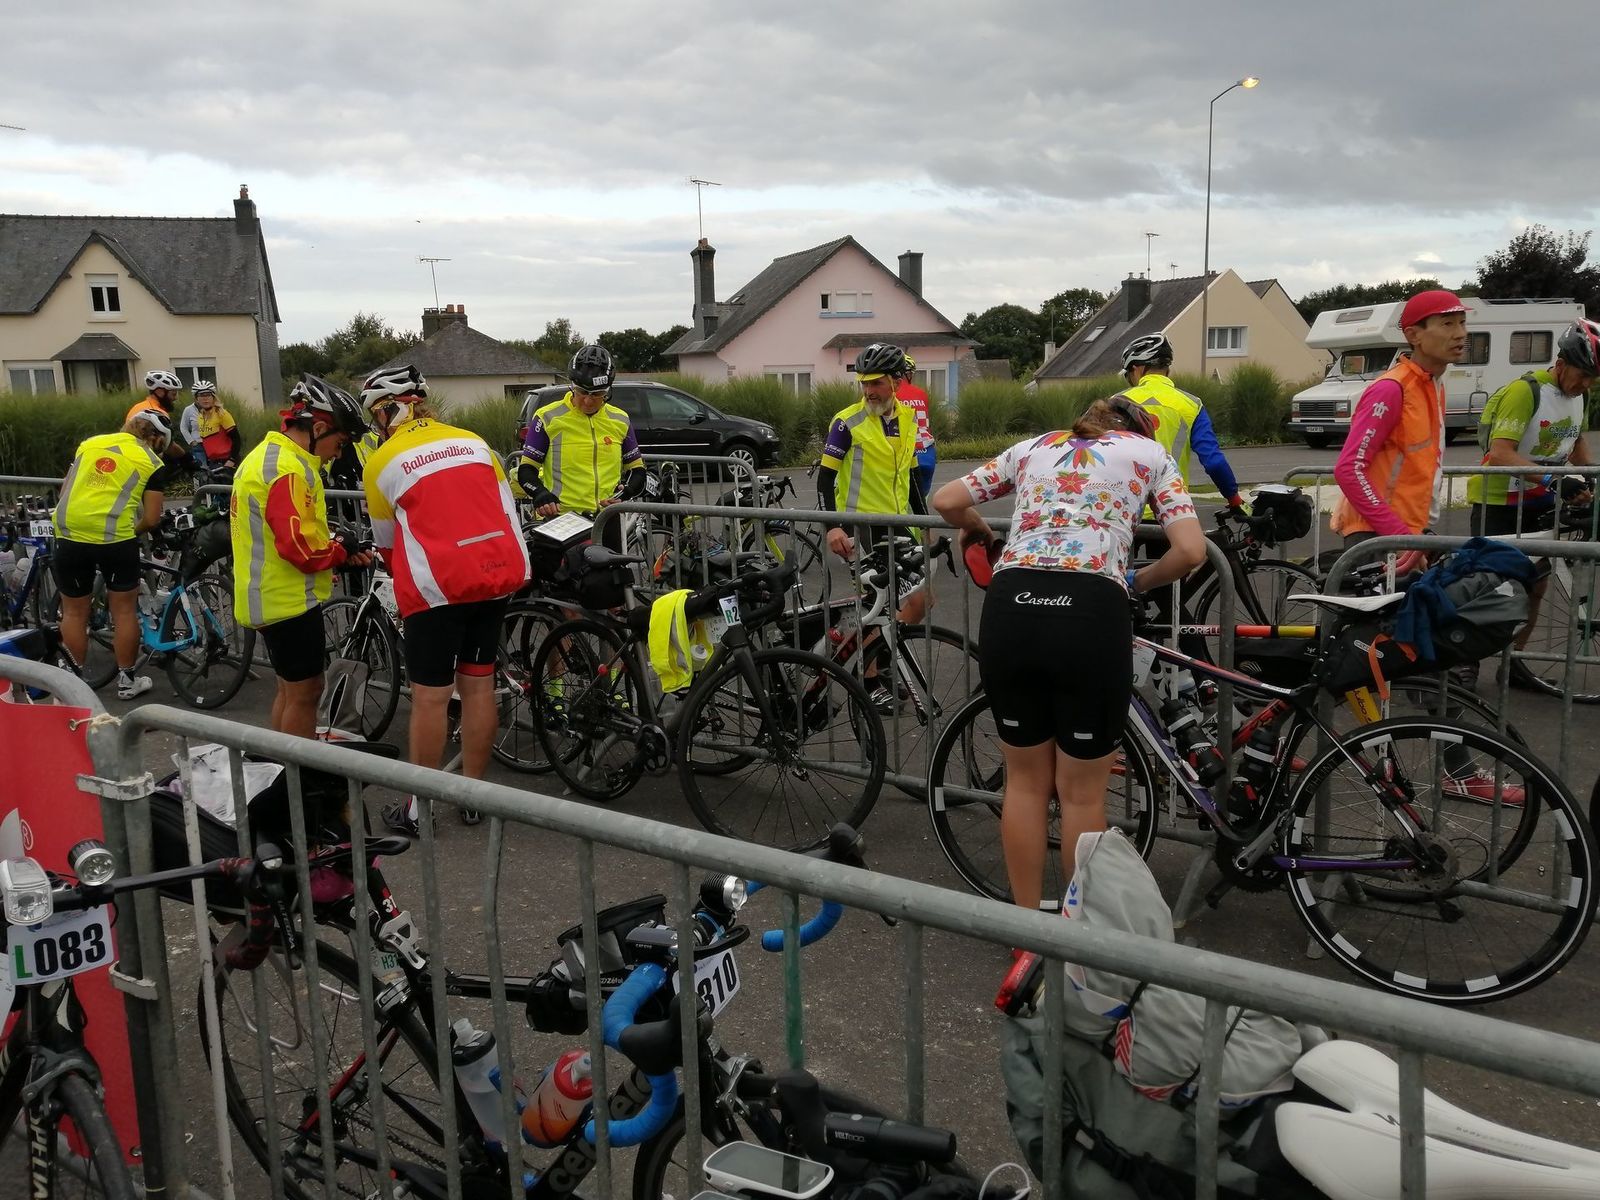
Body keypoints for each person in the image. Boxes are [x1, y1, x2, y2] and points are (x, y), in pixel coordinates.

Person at [932, 397, 1205, 912]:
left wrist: (980, 527)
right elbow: (1190, 551)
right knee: (1081, 795)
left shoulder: (1034, 447)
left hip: (1011, 605)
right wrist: (1137, 580)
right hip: (1089, 609)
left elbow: (945, 499)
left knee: (1025, 784)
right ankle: (1076, 932)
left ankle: (1026, 933)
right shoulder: (1150, 454)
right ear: (1139, 430)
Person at [359, 365, 530, 836]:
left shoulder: (382, 460)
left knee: (432, 699)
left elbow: (387, 544)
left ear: (386, 412)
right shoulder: (475, 442)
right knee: (477, 688)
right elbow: (505, 506)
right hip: (492, 577)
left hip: (437, 589)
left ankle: (419, 809)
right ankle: (473, 797)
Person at [230, 375, 372, 738]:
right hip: (286, 602)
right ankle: (298, 769)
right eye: (340, 443)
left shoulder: (267, 457)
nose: (338, 454)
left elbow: (293, 533)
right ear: (319, 428)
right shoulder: (287, 469)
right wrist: (340, 549)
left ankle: (283, 764)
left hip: (269, 594)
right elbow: (300, 549)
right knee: (306, 693)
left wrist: (337, 553)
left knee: (288, 690)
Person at [817, 342, 932, 711]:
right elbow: (824, 480)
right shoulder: (846, 422)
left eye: (877, 382)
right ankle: (867, 682)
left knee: (921, 600)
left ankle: (879, 660)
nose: (868, 391)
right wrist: (833, 527)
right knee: (876, 605)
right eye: (864, 383)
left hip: (897, 524)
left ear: (896, 382)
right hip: (859, 526)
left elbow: (911, 478)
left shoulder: (908, 419)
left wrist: (924, 522)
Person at [1331, 289, 1469, 576]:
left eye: (1462, 322)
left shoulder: (1433, 385)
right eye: (1447, 324)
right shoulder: (1392, 389)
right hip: (1378, 535)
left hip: (1409, 533)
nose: (1460, 334)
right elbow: (1349, 469)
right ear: (1413, 335)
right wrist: (1400, 536)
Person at [51, 408, 181, 699]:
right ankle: (127, 681)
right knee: (123, 611)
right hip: (115, 539)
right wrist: (133, 531)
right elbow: (151, 518)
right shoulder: (151, 461)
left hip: (69, 533)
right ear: (157, 438)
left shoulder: (89, 445)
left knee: (73, 612)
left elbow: (64, 491)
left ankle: (71, 685)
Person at [1467, 320, 1597, 534]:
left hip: (1542, 501)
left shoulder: (1581, 396)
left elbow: (1575, 441)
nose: (1586, 384)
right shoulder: (1525, 391)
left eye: (1593, 378)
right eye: (1583, 375)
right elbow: (1499, 455)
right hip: (1499, 504)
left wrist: (1591, 472)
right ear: (1561, 365)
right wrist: (1554, 481)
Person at [516, 344, 647, 550]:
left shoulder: (620, 419)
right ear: (572, 385)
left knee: (612, 571)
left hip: (607, 518)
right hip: (563, 519)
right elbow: (526, 470)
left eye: (597, 394)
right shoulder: (548, 417)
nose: (588, 401)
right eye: (582, 392)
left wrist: (625, 493)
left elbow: (638, 471)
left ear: (608, 390)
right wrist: (540, 494)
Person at [1116, 334, 1243, 507]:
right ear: (1167, 369)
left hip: (1125, 510)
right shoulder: (1192, 404)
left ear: (1136, 369)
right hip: (1173, 510)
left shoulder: (1116, 402)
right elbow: (1214, 462)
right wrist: (1234, 500)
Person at [897, 353, 938, 501]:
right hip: (927, 452)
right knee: (921, 502)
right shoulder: (921, 394)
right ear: (907, 374)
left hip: (905, 454)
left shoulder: (889, 395)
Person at [179, 381, 241, 472]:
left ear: (213, 397)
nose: (205, 399)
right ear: (196, 399)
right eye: (201, 396)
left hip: (226, 461)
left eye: (208, 395)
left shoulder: (222, 414)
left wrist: (232, 460)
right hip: (213, 462)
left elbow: (236, 439)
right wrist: (192, 442)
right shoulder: (200, 417)